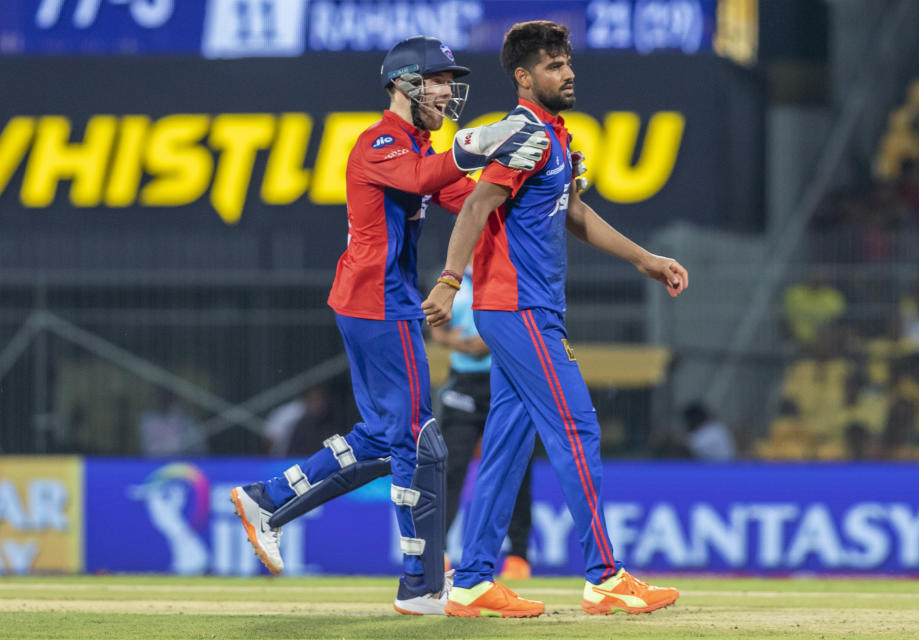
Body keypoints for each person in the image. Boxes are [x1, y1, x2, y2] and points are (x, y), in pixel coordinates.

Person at [229, 36, 549, 615]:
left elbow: (474, 200)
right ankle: (421, 585)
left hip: (377, 301)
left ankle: (266, 499)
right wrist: (479, 142)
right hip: (378, 301)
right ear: (404, 84)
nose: (448, 91)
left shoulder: (418, 146)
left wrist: (541, 181)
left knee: (384, 437)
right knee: (420, 440)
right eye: (438, 81)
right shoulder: (381, 140)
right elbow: (425, 179)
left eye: (451, 82)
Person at [421, 21, 688, 618]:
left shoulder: (553, 137)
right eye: (553, 65)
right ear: (524, 76)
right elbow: (476, 205)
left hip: (520, 312)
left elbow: (572, 211)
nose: (568, 73)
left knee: (509, 446)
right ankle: (605, 576)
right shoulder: (527, 135)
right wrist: (448, 280)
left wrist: (646, 260)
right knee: (577, 428)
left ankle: (470, 581)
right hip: (521, 311)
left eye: (567, 62)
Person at [430, 260, 534, 580]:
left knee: (514, 467)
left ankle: (518, 556)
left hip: (504, 380)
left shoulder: (511, 275)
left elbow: (528, 322)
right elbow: (435, 327)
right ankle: (438, 552)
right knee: (449, 467)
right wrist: (456, 343)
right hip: (463, 384)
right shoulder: (453, 280)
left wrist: (489, 341)